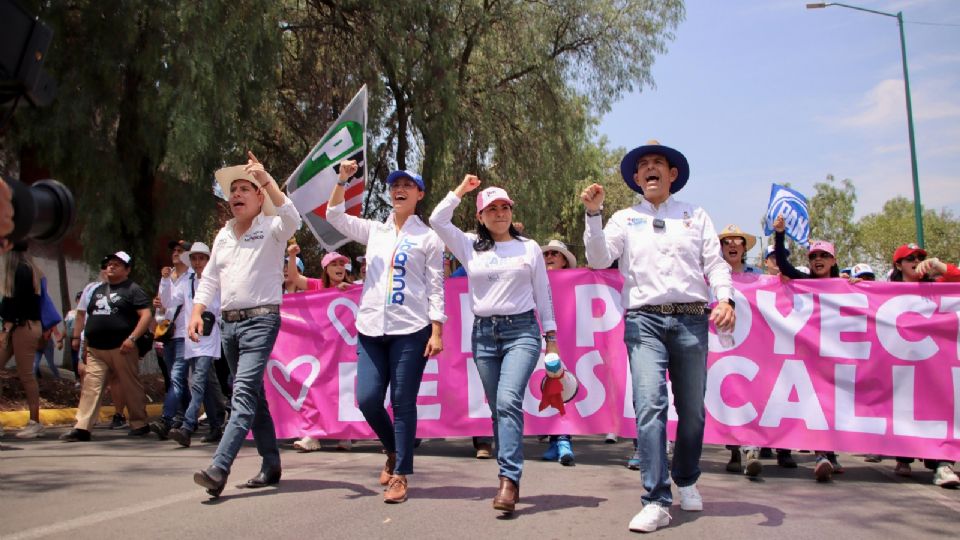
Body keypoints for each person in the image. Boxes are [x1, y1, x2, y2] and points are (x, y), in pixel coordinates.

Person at [582, 140, 735, 533]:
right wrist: (593, 215)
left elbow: (715, 264)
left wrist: (726, 299)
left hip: (691, 321)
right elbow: (599, 260)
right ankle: (655, 498)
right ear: (636, 178)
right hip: (644, 322)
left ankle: (686, 477)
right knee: (650, 406)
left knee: (693, 412)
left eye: (658, 164)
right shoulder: (622, 218)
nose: (650, 169)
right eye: (643, 165)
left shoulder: (694, 215)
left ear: (672, 175)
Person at [431, 175, 558, 514]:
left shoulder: (528, 247)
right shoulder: (469, 245)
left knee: (507, 400)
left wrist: (552, 340)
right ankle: (508, 471)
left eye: (504, 207)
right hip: (484, 335)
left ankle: (509, 479)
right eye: (491, 209)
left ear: (511, 212)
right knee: (498, 408)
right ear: (481, 216)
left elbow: (543, 295)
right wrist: (460, 191)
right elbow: (437, 220)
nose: (499, 213)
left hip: (522, 333)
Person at [326, 162, 445, 504]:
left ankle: (401, 475)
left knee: (402, 402)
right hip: (370, 328)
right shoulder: (375, 231)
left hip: (411, 329)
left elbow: (436, 288)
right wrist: (342, 180)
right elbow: (334, 215)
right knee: (366, 399)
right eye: (395, 185)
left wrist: (437, 331)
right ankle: (393, 449)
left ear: (419, 195)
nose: (399, 189)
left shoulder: (429, 238)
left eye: (408, 185)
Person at [189, 152, 300, 497]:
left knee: (241, 395)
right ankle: (271, 464)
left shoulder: (273, 227)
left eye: (244, 189)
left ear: (259, 196)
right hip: (228, 326)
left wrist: (266, 178)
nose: (236, 194)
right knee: (255, 396)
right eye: (232, 190)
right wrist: (197, 310)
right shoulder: (222, 235)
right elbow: (209, 279)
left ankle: (219, 467)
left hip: (261, 321)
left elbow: (292, 217)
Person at [773, 215, 844, 481]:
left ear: (833, 261)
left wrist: (861, 287)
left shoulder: (846, 287)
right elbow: (782, 263)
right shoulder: (803, 280)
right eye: (814, 255)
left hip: (835, 356)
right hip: (806, 355)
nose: (818, 260)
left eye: (824, 255)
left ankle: (827, 454)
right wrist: (780, 235)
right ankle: (815, 453)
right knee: (809, 404)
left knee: (830, 405)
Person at [887, 243, 960, 488]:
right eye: (910, 258)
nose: (917, 260)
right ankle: (904, 456)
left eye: (920, 257)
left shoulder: (940, 288)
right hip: (901, 367)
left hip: (934, 367)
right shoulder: (885, 292)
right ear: (898, 265)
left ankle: (942, 464)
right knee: (904, 412)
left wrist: (942, 267)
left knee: (938, 410)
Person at [60, 251, 153, 442]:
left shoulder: (133, 290)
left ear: (127, 270)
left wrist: (133, 338)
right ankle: (82, 427)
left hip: (122, 348)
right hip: (96, 349)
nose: (111, 266)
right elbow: (88, 317)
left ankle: (139, 422)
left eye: (117, 264)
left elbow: (146, 316)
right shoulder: (97, 290)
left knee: (130, 386)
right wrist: (84, 344)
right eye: (109, 264)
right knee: (90, 387)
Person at [289, 249, 356, 453]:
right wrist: (292, 256)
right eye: (335, 264)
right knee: (315, 387)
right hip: (320, 348)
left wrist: (350, 291)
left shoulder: (354, 288)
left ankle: (346, 434)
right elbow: (293, 278)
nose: (339, 268)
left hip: (345, 350)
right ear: (325, 268)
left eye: (342, 264)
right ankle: (313, 435)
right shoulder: (317, 286)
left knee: (343, 388)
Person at [166, 242, 225, 448]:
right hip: (192, 338)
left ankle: (187, 426)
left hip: (209, 337)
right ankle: (217, 424)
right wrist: (166, 281)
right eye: (194, 258)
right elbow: (170, 301)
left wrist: (213, 317)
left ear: (208, 260)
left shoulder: (217, 280)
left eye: (201, 258)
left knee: (198, 381)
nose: (198, 262)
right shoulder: (187, 281)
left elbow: (222, 305)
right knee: (208, 383)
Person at [1, 244, 46, 438]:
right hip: (20, 326)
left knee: (26, 375)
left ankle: (35, 422)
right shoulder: (30, 270)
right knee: (26, 375)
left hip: (23, 327)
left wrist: (6, 329)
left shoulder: (22, 271)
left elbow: (15, 303)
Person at [539, 239, 578, 466]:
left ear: (564, 261)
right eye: (546, 254)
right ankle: (554, 440)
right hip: (537, 338)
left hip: (566, 340)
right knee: (542, 388)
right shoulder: (532, 279)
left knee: (561, 386)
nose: (550, 257)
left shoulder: (574, 282)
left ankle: (563, 440)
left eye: (556, 253)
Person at [150, 240, 193, 440]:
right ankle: (183, 416)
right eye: (174, 250)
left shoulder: (193, 277)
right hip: (168, 336)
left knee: (176, 377)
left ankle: (166, 420)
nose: (176, 254)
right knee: (177, 379)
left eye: (180, 251)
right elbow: (164, 306)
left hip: (185, 335)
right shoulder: (167, 277)